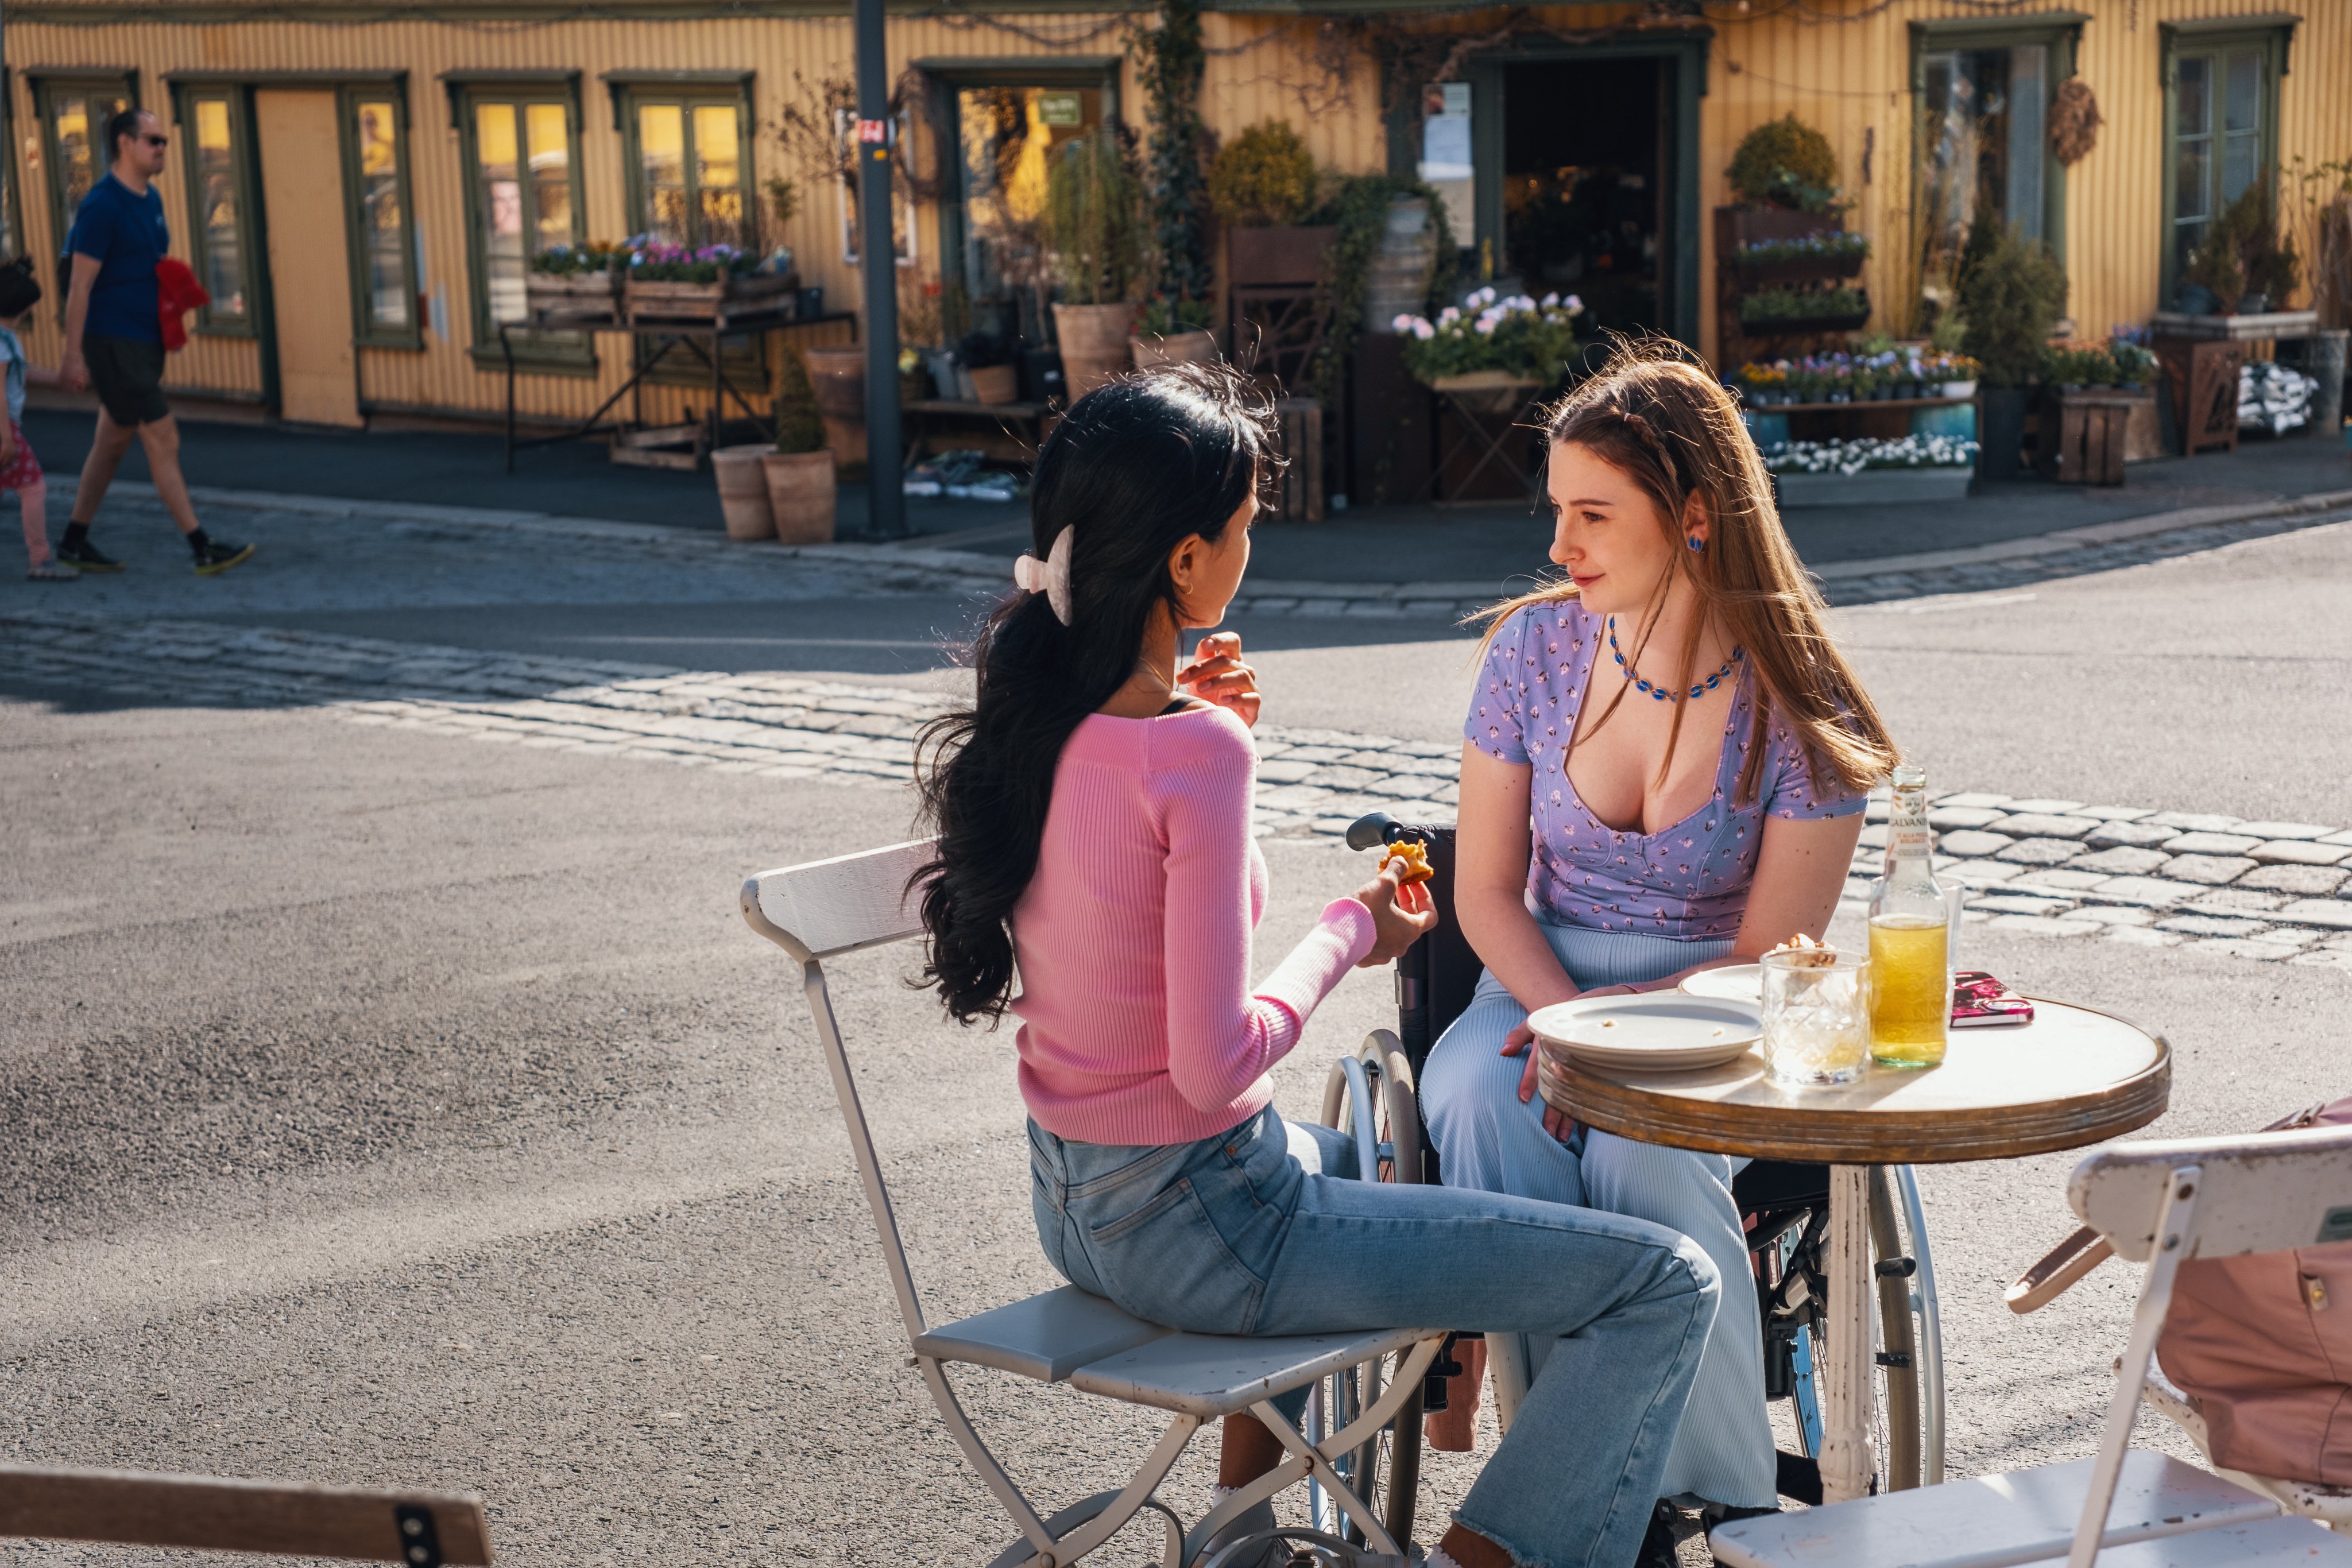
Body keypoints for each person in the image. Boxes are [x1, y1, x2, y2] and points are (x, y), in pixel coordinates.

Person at [913, 362, 1722, 1568]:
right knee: (1666, 1283)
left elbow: (1122, 870)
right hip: (1206, 1230)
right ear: (1184, 563)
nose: (1250, 549)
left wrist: (1202, 722)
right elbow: (1210, 1065)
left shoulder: (1046, 721)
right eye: (1240, 529)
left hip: (1072, 1210)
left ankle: (1247, 1540)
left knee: (1348, 1149)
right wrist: (1357, 931)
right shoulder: (1192, 755)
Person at [1419, 348, 1900, 1552]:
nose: (1559, 546)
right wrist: (1557, 1021)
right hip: (1533, 980)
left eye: (1592, 514)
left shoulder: (1799, 702)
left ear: (1693, 515)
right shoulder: (1530, 654)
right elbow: (1480, 890)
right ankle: (1573, 1496)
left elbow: (1766, 952)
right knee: (1482, 1101)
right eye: (1556, 512)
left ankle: (1710, 1503)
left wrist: (1621, 1048)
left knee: (1645, 1160)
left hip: (1716, 1007)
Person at [53, 107, 252, 577]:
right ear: (124, 143)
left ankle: (73, 540)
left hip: (144, 342)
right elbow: (80, 286)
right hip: (113, 343)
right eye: (153, 140)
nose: (161, 147)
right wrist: (72, 356)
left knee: (111, 444)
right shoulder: (102, 206)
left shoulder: (152, 199)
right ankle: (202, 546)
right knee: (164, 437)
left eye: (163, 140)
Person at [0, 257, 71, 580]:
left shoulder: (6, 340)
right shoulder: (3, 342)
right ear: (24, 307)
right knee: (33, 488)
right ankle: (41, 559)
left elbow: (21, 373)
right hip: (4, 428)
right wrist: (6, 436)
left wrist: (58, 379)